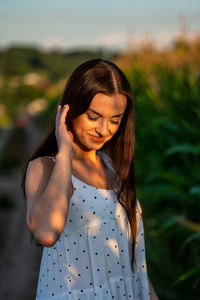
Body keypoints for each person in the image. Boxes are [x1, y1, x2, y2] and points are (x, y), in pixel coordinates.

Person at [21, 58, 159, 300]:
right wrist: (65, 153)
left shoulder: (110, 166)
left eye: (115, 120)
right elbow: (45, 232)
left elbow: (134, 264)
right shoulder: (45, 167)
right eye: (94, 116)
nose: (104, 130)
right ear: (69, 109)